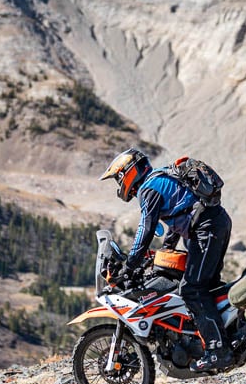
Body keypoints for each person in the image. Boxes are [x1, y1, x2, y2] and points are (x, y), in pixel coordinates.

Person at [100, 148, 233, 372]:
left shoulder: (148, 190)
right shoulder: (160, 178)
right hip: (213, 223)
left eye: (118, 179)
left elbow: (146, 229)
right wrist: (165, 252)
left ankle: (218, 350)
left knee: (192, 289)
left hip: (206, 228)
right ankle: (230, 334)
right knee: (205, 286)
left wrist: (129, 266)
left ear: (127, 173)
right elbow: (177, 217)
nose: (118, 185)